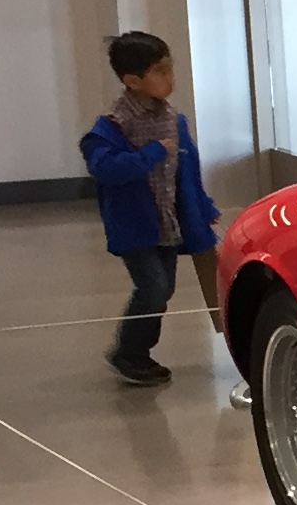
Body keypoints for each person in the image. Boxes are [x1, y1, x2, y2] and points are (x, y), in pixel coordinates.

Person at [81, 32, 222, 388]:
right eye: (160, 71)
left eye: (170, 68)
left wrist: (203, 206)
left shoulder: (174, 121)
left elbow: (187, 170)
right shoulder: (111, 127)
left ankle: (139, 353)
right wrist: (151, 153)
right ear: (132, 81)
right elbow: (105, 169)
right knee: (153, 287)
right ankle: (129, 352)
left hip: (167, 224)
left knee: (164, 288)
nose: (170, 77)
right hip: (135, 227)